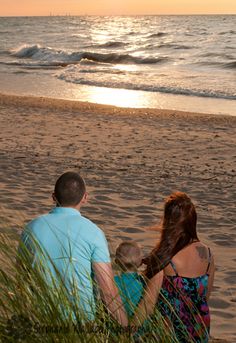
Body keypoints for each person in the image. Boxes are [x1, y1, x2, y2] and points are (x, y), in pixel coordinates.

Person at [19, 171, 127, 326]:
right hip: (81, 323)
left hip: (39, 319)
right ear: (85, 198)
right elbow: (107, 291)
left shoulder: (31, 227)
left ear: (53, 197)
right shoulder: (94, 233)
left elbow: (22, 278)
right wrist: (126, 330)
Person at [132, 192, 215, 343]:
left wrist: (128, 332)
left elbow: (148, 304)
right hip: (198, 330)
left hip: (169, 331)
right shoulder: (208, 254)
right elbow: (205, 296)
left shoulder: (165, 257)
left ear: (168, 221)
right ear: (192, 221)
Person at [114, 241, 145, 317]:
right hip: (139, 323)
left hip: (118, 320)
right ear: (141, 263)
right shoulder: (143, 282)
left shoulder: (112, 281)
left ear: (116, 262)